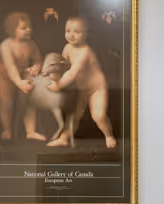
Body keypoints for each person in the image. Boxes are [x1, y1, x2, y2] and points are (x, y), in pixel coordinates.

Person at [49, 14, 117, 148]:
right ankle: (64, 138)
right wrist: (54, 76)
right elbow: (63, 66)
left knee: (98, 116)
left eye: (77, 32)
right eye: (68, 31)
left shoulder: (85, 51)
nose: (71, 35)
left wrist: (59, 85)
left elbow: (73, 72)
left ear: (85, 34)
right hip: (81, 89)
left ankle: (109, 135)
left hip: (96, 88)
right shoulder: (68, 48)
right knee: (73, 116)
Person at [0, 12, 42, 141]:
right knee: (7, 103)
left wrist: (36, 67)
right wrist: (18, 82)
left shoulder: (31, 44)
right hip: (5, 77)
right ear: (12, 29)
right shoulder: (6, 45)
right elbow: (10, 66)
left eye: (29, 27)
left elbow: (38, 60)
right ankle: (7, 130)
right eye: (23, 28)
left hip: (22, 75)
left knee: (29, 103)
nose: (28, 30)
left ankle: (30, 131)